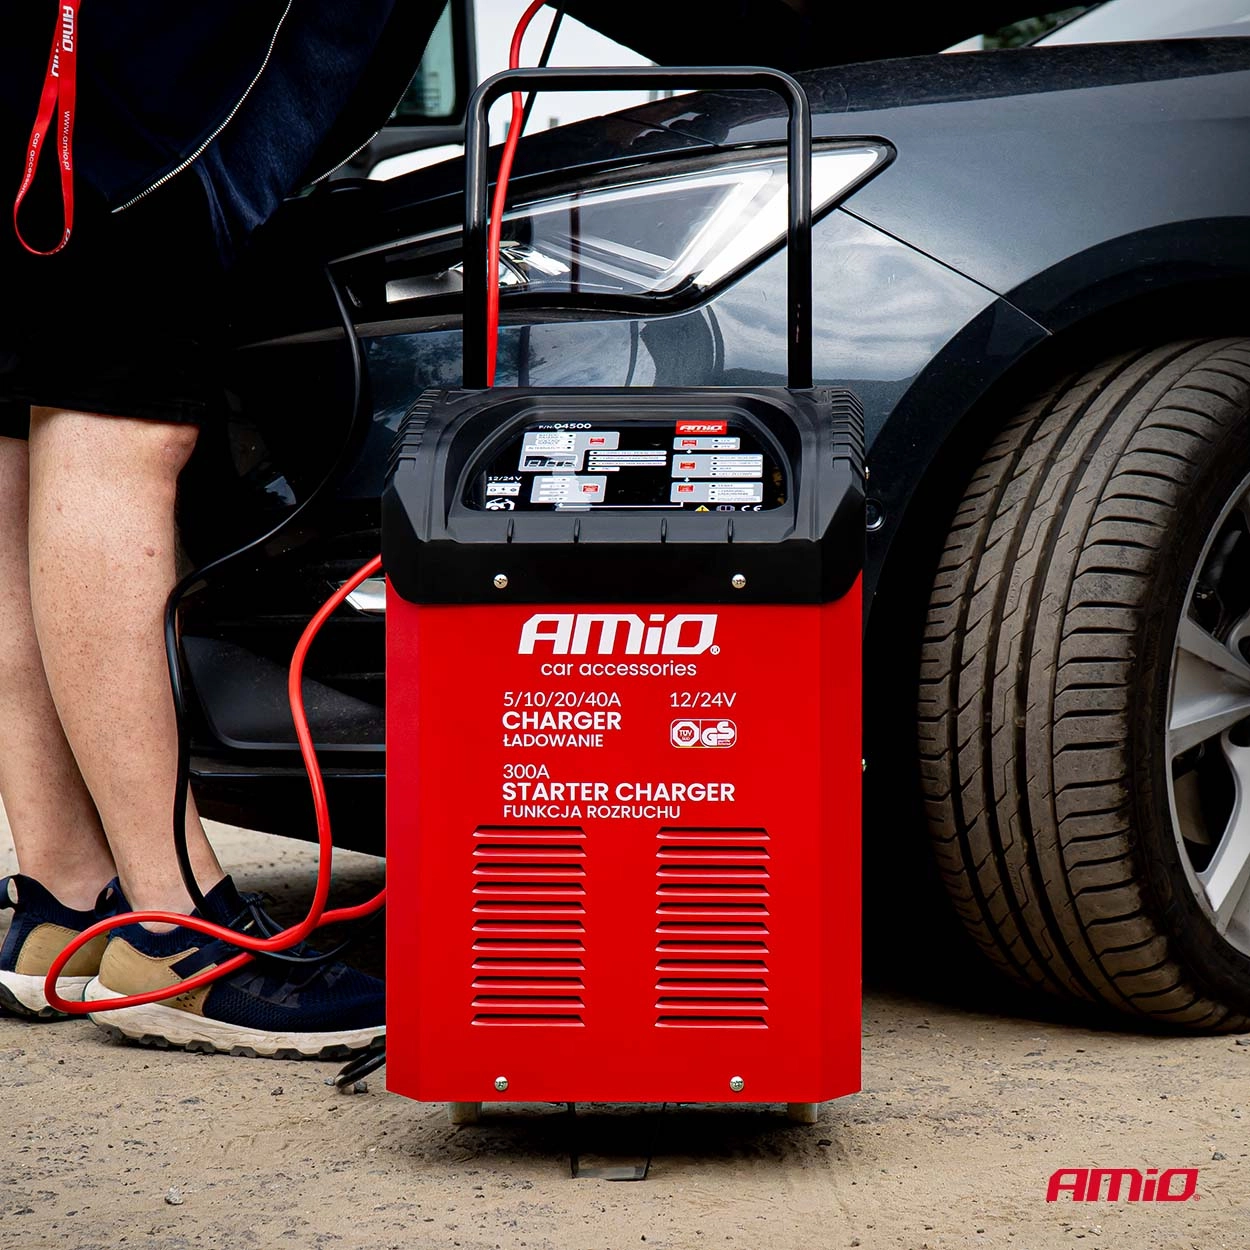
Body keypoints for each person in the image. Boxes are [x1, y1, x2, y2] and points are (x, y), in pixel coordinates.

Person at [0, 0, 441, 1057]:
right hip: (142, 96)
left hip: (73, 89)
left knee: (25, 435)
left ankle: (63, 896)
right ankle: (175, 928)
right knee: (121, 415)